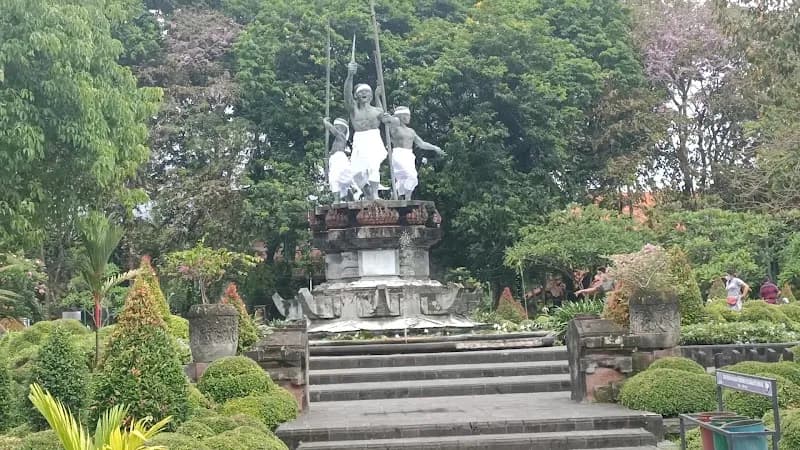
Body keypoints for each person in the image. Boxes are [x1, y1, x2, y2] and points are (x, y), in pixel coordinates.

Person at [343, 62, 387, 200]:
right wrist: (350, 75)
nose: (364, 94)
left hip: (374, 138)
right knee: (356, 172)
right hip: (359, 139)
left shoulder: (377, 111)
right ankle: (367, 193)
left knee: (373, 166)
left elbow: (388, 120)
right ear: (356, 95)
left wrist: (390, 119)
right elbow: (347, 95)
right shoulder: (353, 109)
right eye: (361, 92)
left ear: (371, 95)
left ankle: (375, 194)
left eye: (367, 92)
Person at [384, 106, 446, 200]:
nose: (409, 118)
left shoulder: (411, 131)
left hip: (409, 155)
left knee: (405, 179)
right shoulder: (395, 127)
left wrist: (434, 148)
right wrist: (388, 117)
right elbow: (389, 119)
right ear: (401, 116)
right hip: (399, 154)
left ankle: (397, 197)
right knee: (411, 176)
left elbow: (421, 144)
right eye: (407, 115)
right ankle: (407, 199)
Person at [322, 117, 354, 202]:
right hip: (334, 158)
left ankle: (337, 200)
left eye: (337, 127)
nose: (335, 128)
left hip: (339, 158)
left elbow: (332, 129)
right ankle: (350, 199)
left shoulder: (341, 136)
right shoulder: (338, 139)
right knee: (340, 181)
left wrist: (325, 122)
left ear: (343, 129)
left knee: (335, 178)